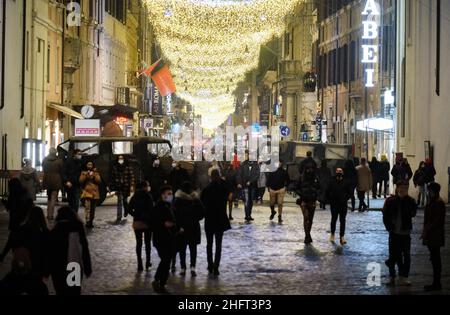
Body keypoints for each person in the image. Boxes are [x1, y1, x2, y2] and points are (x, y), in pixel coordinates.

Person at [0, 206, 50, 295]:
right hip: (36, 269)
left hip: (20, 266)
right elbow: (47, 254)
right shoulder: (44, 234)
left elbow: (9, 245)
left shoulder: (17, 231)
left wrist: (2, 256)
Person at [49, 206, 92, 295]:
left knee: (61, 291)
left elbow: (50, 252)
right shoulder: (78, 227)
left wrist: (46, 270)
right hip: (74, 266)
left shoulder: (55, 230)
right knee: (74, 292)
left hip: (58, 268)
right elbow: (84, 248)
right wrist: (87, 267)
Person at [382, 181, 417, 287]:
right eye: (401, 187)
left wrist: (407, 203)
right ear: (397, 188)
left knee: (406, 255)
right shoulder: (390, 201)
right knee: (393, 255)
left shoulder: (410, 201)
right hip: (394, 232)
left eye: (406, 188)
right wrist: (389, 228)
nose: (403, 190)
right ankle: (392, 277)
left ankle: (404, 277)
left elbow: (413, 213)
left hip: (405, 233)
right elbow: (385, 216)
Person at [201, 170, 232, 276]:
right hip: (220, 219)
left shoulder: (206, 189)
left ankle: (210, 265)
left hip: (209, 219)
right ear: (219, 176)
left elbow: (202, 203)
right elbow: (229, 193)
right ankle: (216, 267)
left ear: (211, 177)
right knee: (218, 244)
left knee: (209, 244)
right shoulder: (223, 188)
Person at [173, 181, 205, 277]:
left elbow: (174, 214)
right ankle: (193, 267)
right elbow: (202, 212)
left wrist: (178, 224)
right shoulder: (195, 199)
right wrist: (195, 218)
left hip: (182, 227)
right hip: (193, 226)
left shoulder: (177, 200)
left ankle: (183, 268)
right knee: (193, 248)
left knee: (182, 248)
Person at [151, 185, 177, 293]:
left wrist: (176, 227)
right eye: (168, 194)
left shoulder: (169, 205)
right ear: (163, 195)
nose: (171, 196)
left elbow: (172, 221)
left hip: (168, 237)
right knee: (166, 259)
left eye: (171, 193)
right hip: (161, 238)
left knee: (166, 259)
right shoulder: (159, 207)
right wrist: (164, 224)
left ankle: (159, 281)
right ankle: (160, 282)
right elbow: (154, 222)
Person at [0, 179, 33, 262]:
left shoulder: (13, 194)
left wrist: (3, 201)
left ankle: (8, 257)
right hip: (24, 221)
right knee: (14, 240)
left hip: (16, 221)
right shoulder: (25, 193)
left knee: (12, 240)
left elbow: (10, 207)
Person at [422, 182, 446, 291]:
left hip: (435, 235)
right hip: (431, 234)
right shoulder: (433, 201)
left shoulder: (439, 203)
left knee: (436, 260)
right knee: (434, 258)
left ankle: (437, 283)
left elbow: (437, 220)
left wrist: (427, 229)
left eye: (430, 190)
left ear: (434, 191)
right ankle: (436, 282)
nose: (429, 192)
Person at [128, 181, 154, 272]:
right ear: (145, 187)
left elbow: (129, 208)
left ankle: (139, 264)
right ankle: (148, 262)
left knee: (139, 243)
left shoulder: (135, 196)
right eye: (147, 186)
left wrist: (135, 214)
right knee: (147, 243)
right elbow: (152, 209)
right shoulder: (148, 196)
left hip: (137, 222)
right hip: (147, 223)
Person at [326, 169, 351, 245]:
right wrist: (331, 199)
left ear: (342, 174)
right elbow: (327, 191)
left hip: (343, 204)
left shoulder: (346, 182)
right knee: (334, 219)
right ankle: (332, 234)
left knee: (342, 220)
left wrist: (345, 198)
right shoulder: (332, 181)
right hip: (334, 204)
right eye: (338, 173)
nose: (339, 175)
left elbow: (349, 193)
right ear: (336, 174)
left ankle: (342, 237)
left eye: (340, 173)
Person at [296, 166, 320, 244]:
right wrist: (301, 194)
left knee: (310, 219)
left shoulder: (315, 178)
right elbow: (297, 187)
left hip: (312, 200)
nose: (310, 170)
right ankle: (307, 236)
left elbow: (319, 188)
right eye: (308, 168)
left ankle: (308, 235)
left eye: (311, 168)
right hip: (304, 200)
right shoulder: (301, 178)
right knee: (306, 218)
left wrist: (315, 194)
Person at [236, 152, 260, 222]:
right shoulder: (243, 164)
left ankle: (249, 214)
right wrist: (239, 183)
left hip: (253, 186)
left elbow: (257, 175)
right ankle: (247, 215)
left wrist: (251, 181)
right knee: (246, 201)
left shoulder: (256, 164)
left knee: (251, 201)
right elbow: (239, 174)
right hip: (245, 185)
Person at [111, 155, 135, 222]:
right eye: (119, 158)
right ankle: (119, 216)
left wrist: (131, 185)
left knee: (125, 201)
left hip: (126, 186)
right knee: (119, 201)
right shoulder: (115, 167)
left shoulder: (128, 167)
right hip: (118, 186)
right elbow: (113, 177)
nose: (120, 159)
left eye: (121, 158)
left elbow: (132, 177)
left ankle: (126, 210)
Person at [42, 147, 64, 220]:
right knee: (54, 198)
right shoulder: (59, 161)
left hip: (47, 180)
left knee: (48, 198)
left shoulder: (44, 160)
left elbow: (43, 169)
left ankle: (48, 214)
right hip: (56, 180)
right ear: (55, 153)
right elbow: (61, 171)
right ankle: (51, 215)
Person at [79, 161, 101, 228]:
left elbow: (98, 181)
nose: (90, 166)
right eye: (88, 164)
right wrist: (86, 174)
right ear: (86, 165)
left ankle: (91, 221)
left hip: (94, 193)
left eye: (91, 164)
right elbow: (80, 181)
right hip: (87, 192)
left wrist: (94, 174)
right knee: (87, 207)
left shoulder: (96, 173)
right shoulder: (83, 173)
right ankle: (88, 221)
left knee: (93, 209)